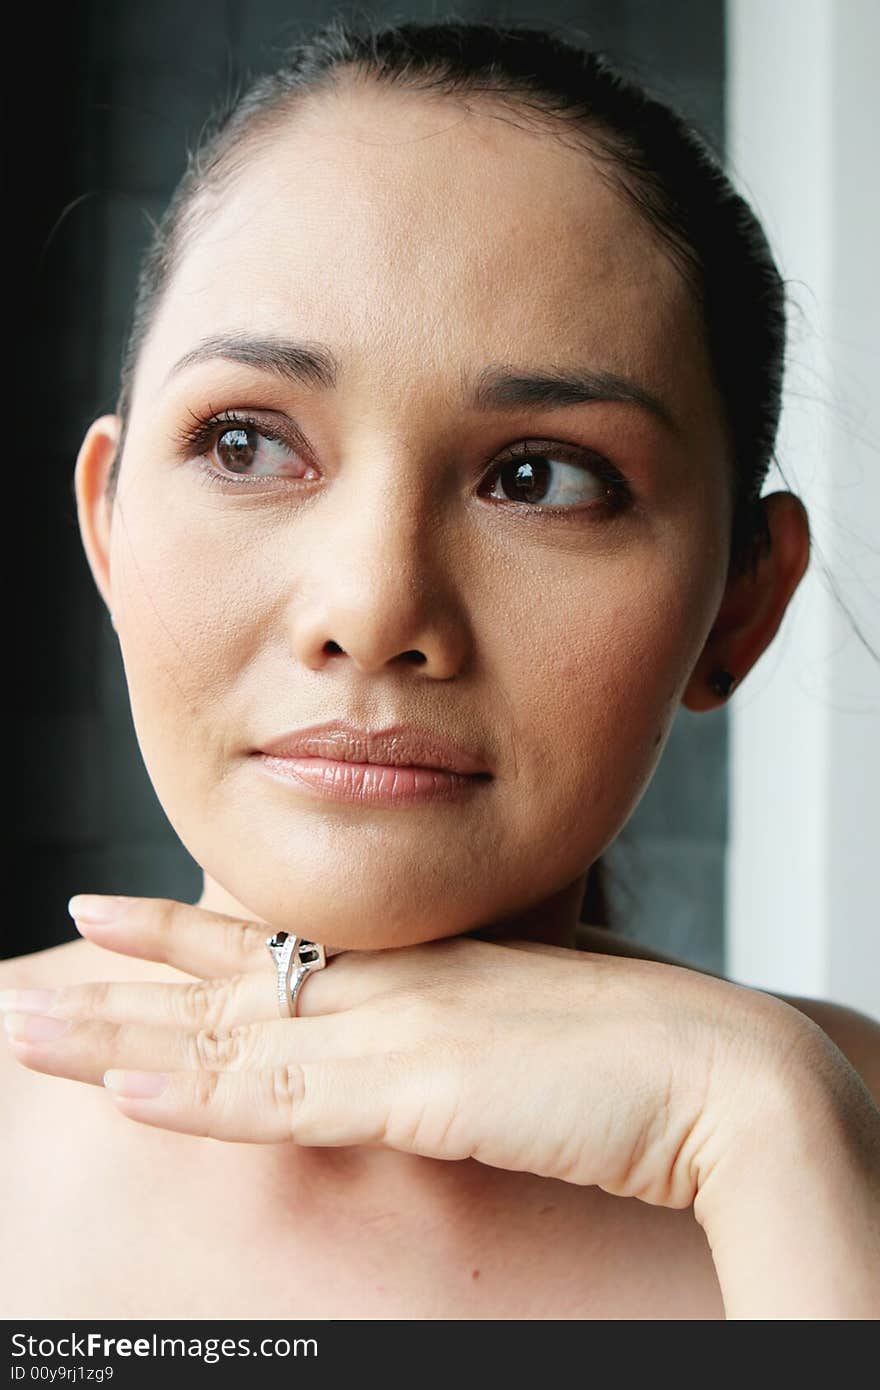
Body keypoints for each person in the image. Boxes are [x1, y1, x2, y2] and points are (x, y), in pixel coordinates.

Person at [1, 17, 878, 1321]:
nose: (372, 607)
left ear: (739, 607)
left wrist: (764, 1133)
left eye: (542, 477)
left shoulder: (831, 1137)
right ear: (109, 526)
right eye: (246, 443)